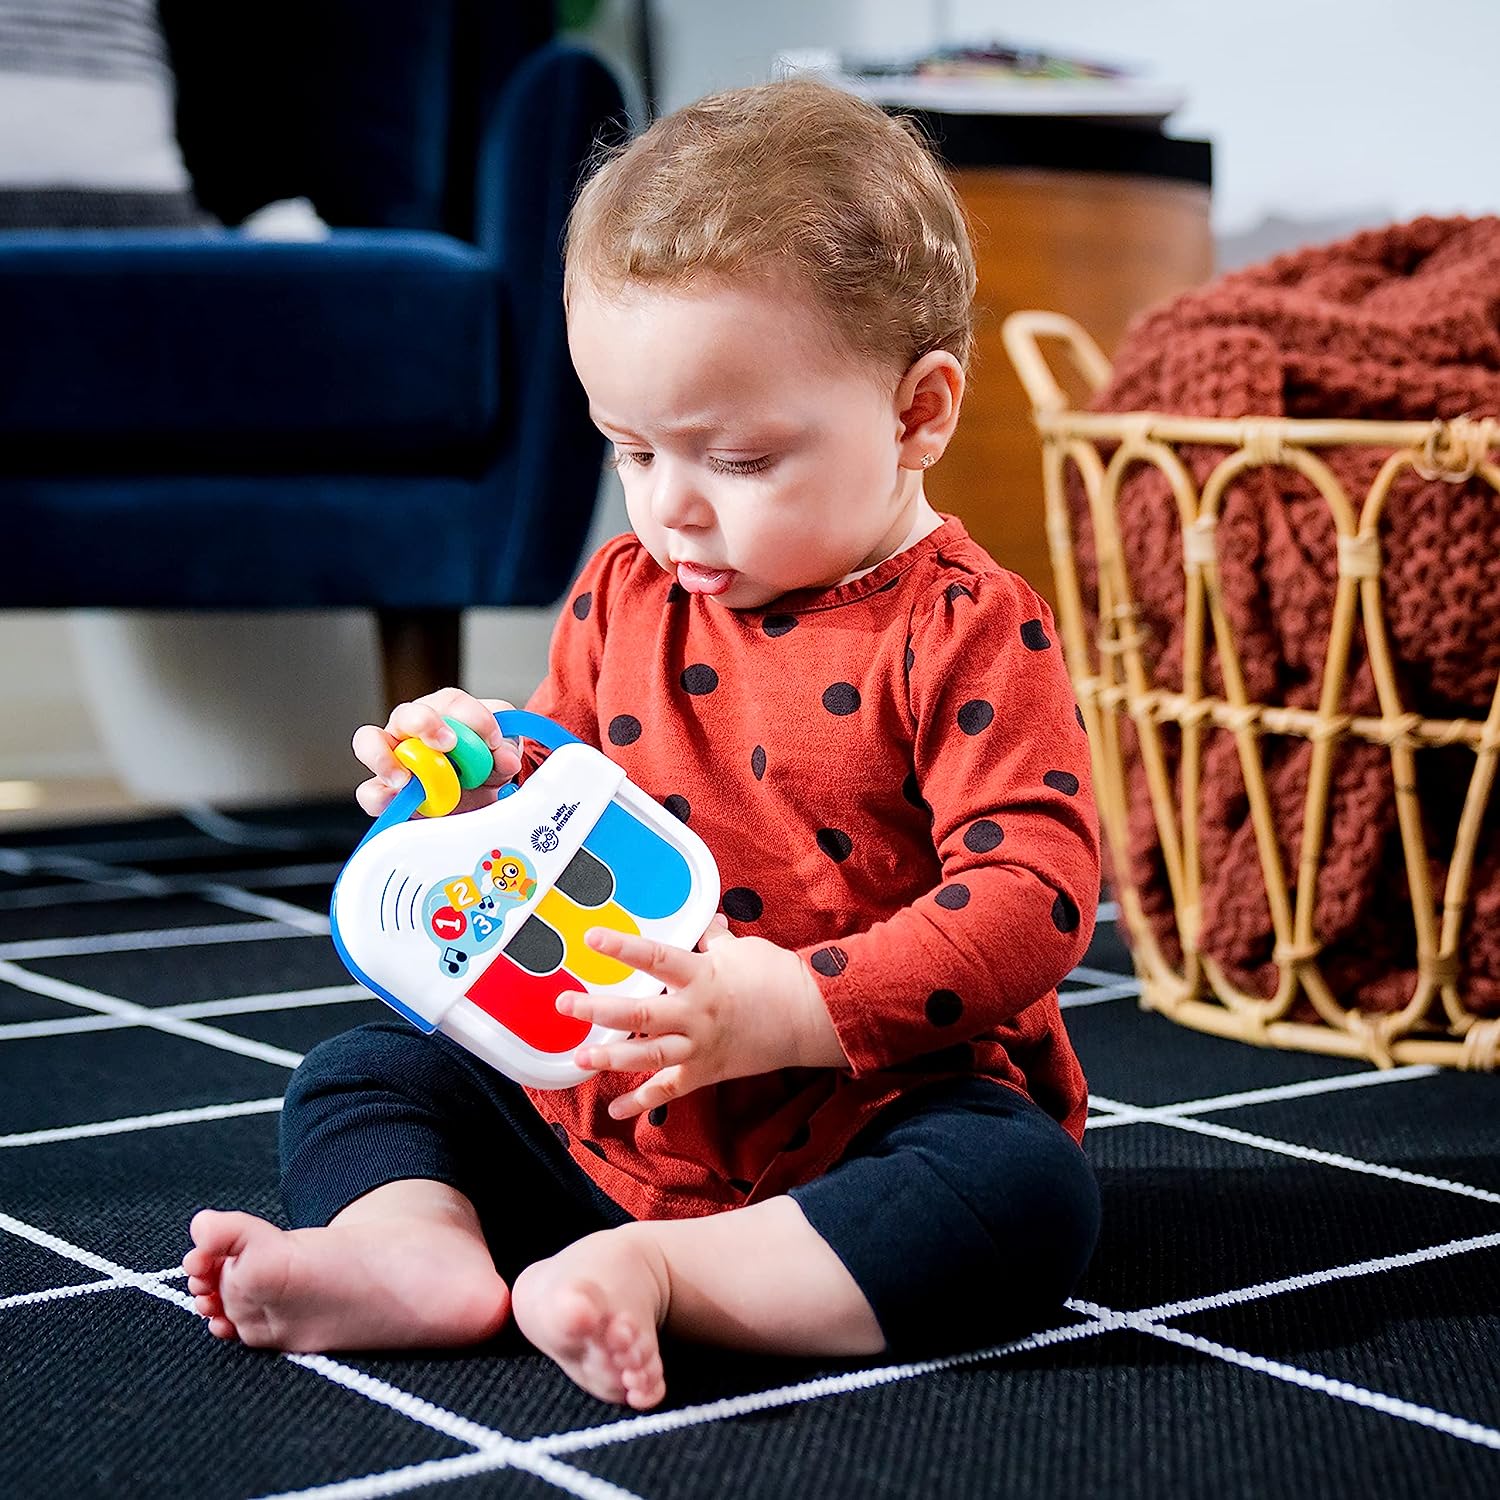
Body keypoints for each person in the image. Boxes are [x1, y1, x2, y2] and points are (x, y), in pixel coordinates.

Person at [183, 77, 1102, 1411]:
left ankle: (673, 1274)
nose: (673, 508)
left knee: (1026, 1197)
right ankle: (411, 1251)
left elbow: (1038, 893)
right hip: (602, 1095)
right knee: (359, 1072)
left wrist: (794, 1009)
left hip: (864, 1122)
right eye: (631, 448)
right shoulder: (627, 588)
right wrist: (483, 760)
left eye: (734, 459)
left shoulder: (966, 630)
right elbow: (567, 777)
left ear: (918, 416)